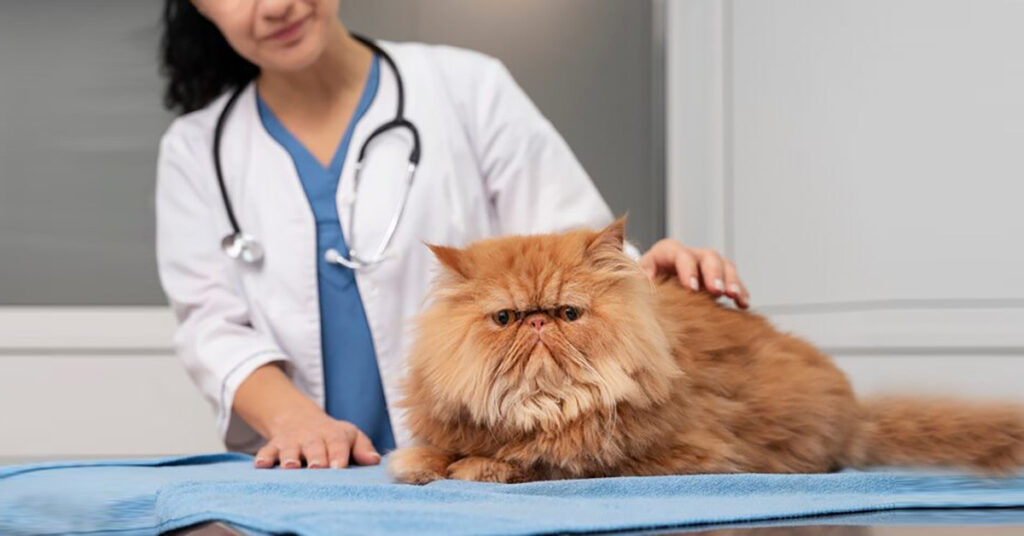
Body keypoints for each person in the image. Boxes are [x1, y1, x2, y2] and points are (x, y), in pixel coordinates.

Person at [156, 0, 750, 470]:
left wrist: (643, 279)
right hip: (314, 465)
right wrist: (293, 422)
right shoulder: (195, 150)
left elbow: (567, 241)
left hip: (485, 455)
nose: (275, 6)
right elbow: (212, 325)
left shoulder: (466, 86)